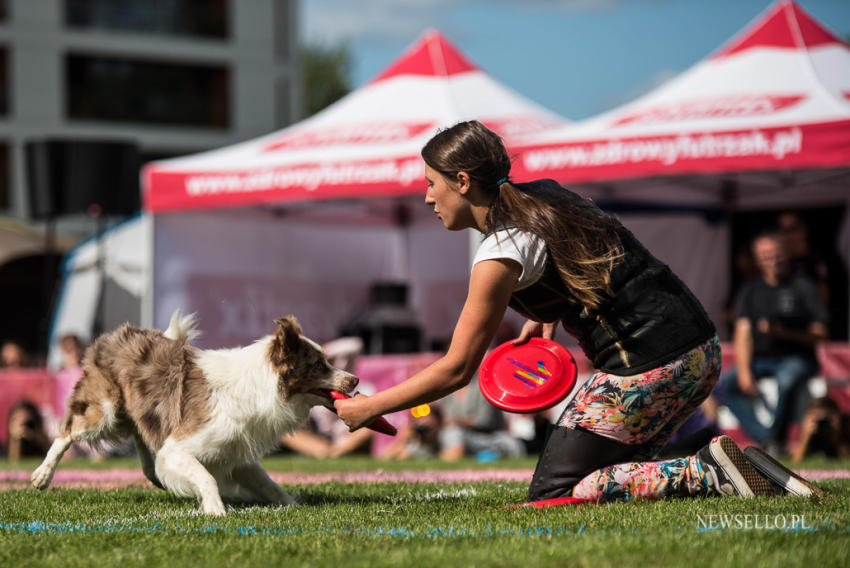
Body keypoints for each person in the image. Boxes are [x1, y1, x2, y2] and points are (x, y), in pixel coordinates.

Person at [335, 120, 820, 503]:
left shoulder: (499, 251)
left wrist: (369, 407)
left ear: (461, 182)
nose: (426, 198)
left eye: (431, 184)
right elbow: (589, 267)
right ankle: (714, 460)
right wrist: (545, 312)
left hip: (647, 368)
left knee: (556, 492)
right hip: (702, 352)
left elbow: (457, 368)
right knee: (603, 471)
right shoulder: (547, 194)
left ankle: (706, 469)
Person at [717, 231, 829, 456]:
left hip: (796, 357)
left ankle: (776, 438)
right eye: (766, 256)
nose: (773, 261)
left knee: (786, 381)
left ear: (786, 254)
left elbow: (821, 333)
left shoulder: (802, 287)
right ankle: (768, 440)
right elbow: (743, 332)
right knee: (724, 386)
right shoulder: (750, 290)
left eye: (776, 255)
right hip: (760, 359)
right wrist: (745, 371)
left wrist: (785, 333)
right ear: (757, 259)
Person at [791, 396, 850, 463]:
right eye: (817, 417)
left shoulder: (846, 425)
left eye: (828, 417)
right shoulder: (804, 428)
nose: (823, 422)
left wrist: (836, 435)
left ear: (838, 415)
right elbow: (796, 460)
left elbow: (847, 459)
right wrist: (806, 436)